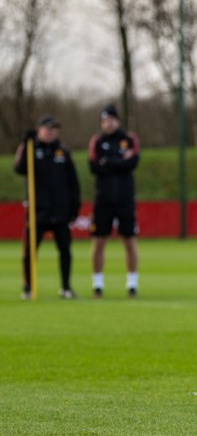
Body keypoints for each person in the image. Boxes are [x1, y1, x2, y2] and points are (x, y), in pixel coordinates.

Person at [13, 116, 81, 299]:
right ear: (39, 130)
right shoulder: (30, 149)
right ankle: (28, 287)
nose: (50, 132)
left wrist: (74, 208)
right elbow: (19, 169)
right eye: (46, 128)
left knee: (65, 250)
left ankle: (66, 287)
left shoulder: (63, 152)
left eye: (54, 129)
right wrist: (25, 143)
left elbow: (73, 183)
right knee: (30, 251)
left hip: (59, 212)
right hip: (37, 211)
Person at [88, 104, 140, 299]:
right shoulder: (97, 141)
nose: (108, 124)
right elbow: (94, 167)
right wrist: (118, 161)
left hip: (125, 199)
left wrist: (108, 161)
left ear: (117, 120)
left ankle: (132, 284)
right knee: (99, 241)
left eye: (110, 120)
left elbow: (132, 163)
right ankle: (98, 285)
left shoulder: (129, 139)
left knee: (129, 241)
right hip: (103, 199)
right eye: (104, 121)